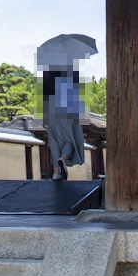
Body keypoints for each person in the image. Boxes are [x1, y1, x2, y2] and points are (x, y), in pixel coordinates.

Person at [36, 34, 97, 180]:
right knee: (71, 140)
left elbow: (44, 95)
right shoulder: (72, 72)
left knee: (54, 141)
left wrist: (44, 116)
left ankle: (56, 173)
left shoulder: (48, 73)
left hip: (52, 111)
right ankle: (63, 159)